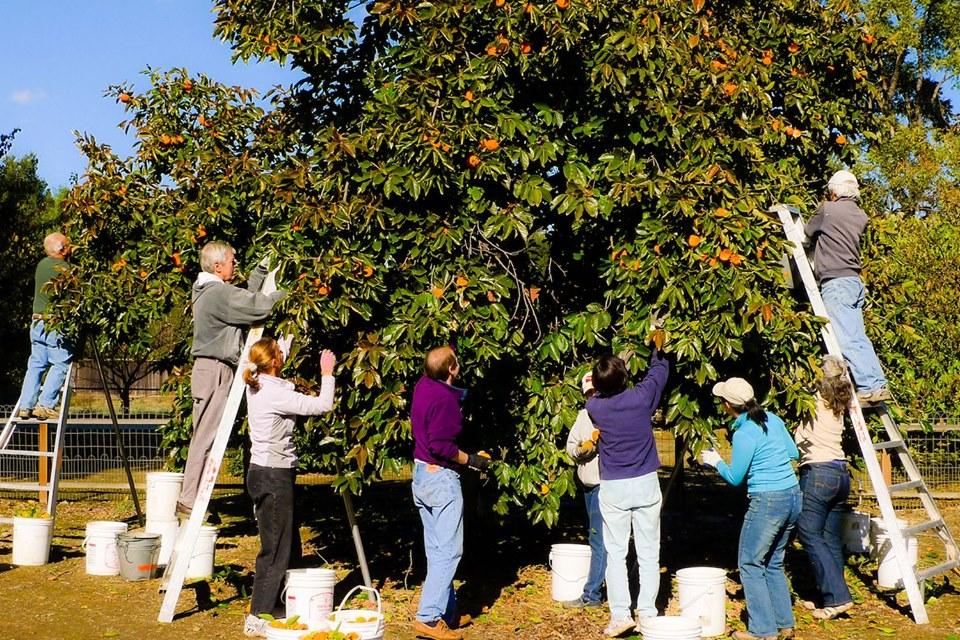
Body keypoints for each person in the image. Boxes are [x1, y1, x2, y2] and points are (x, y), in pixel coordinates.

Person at [177, 241, 287, 517]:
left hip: (213, 368)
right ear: (217, 266)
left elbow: (241, 301)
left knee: (206, 434)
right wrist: (288, 293)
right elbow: (256, 306)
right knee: (205, 436)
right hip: (215, 370)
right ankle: (190, 499)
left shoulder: (212, 291)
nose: (235, 264)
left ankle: (193, 496)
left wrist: (260, 273)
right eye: (232, 260)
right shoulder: (216, 293)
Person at [241, 337, 336, 638]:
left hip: (262, 471)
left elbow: (277, 356)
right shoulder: (274, 394)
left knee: (286, 543)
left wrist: (289, 339)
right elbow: (323, 405)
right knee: (276, 548)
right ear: (275, 362)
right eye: (280, 355)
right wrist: (327, 372)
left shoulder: (255, 382)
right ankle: (258, 616)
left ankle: (283, 605)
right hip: (274, 475)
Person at [699, 378, 801, 640]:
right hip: (792, 495)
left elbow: (735, 477)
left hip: (768, 501)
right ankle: (784, 623)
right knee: (773, 561)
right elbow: (794, 453)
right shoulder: (773, 419)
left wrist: (716, 462)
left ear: (727, 405)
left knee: (750, 562)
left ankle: (763, 631)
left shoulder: (744, 433)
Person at [586, 350, 669, 638]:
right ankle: (647, 612)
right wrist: (657, 349)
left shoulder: (594, 407)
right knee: (648, 553)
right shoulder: (641, 398)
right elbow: (659, 373)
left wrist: (614, 365)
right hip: (645, 481)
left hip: (614, 487)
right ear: (624, 377)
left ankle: (621, 614)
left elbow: (594, 387)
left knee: (616, 553)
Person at [411, 345, 490, 640]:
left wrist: (461, 394)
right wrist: (472, 460)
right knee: (450, 550)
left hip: (421, 475)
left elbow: (444, 393)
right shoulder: (444, 401)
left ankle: (446, 611)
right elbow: (440, 445)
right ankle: (429, 617)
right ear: (452, 369)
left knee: (436, 549)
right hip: (440, 478)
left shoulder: (423, 386)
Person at [804, 170, 890, 403]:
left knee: (846, 338)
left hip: (836, 282)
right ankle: (877, 383)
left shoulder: (827, 209)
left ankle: (869, 387)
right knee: (858, 336)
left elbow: (806, 233)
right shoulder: (860, 215)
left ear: (833, 191)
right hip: (854, 281)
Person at [795, 355, 854, 620]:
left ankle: (839, 595)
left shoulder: (814, 400)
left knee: (807, 531)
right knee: (828, 537)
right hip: (841, 473)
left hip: (819, 472)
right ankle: (831, 598)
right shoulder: (839, 401)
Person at [17, 232, 73, 420]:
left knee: (36, 364)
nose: (71, 247)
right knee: (60, 363)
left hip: (37, 322)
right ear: (61, 248)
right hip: (53, 322)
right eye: (68, 244)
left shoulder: (42, 265)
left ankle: (25, 405)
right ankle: (45, 405)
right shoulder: (65, 268)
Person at [562, 372, 606, 609]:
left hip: (604, 486)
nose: (592, 397)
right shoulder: (583, 417)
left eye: (595, 392)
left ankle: (592, 595)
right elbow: (571, 448)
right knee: (598, 537)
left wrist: (598, 445)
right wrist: (583, 449)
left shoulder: (609, 415)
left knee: (599, 539)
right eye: (588, 393)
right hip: (588, 486)